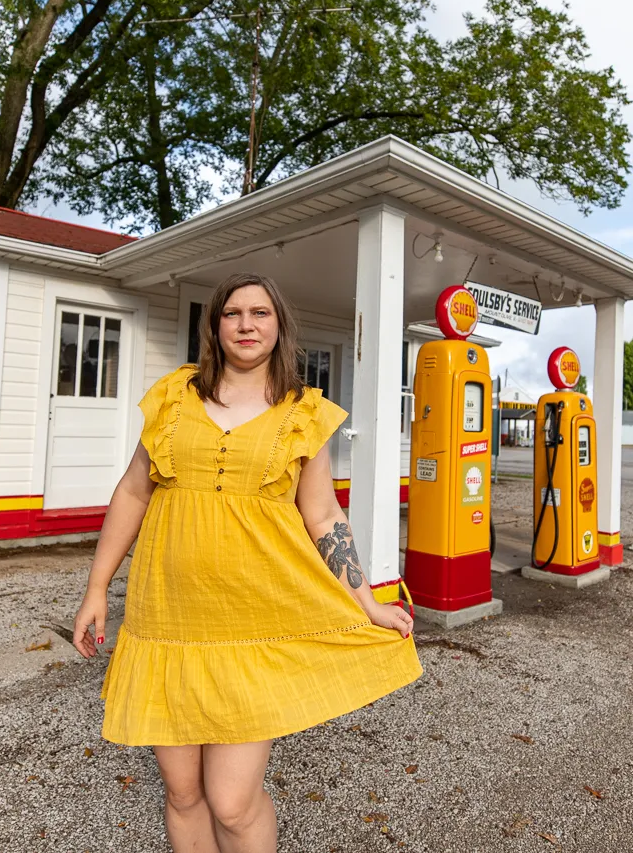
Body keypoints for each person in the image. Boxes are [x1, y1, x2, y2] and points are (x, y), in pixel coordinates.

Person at [72, 272, 422, 852]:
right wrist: (95, 591)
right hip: (168, 622)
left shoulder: (304, 411)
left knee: (232, 803)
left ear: (278, 325)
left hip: (253, 622)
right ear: (215, 327)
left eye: (260, 313)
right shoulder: (173, 396)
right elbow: (133, 492)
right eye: (233, 313)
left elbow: (324, 515)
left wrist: (367, 603)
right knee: (183, 794)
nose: (246, 324)